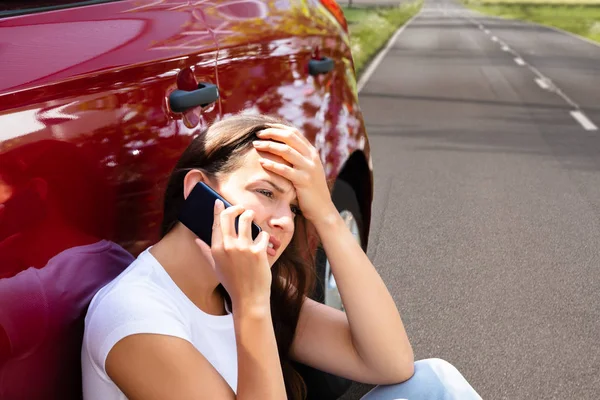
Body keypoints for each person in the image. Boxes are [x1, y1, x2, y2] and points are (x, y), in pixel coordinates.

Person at [81, 114, 482, 400]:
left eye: (293, 208)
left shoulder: (239, 286)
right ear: (198, 190)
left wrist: (324, 213)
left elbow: (391, 363)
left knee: (434, 383)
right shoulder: (136, 318)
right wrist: (250, 304)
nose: (283, 222)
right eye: (266, 193)